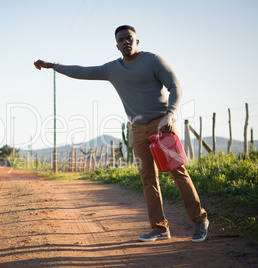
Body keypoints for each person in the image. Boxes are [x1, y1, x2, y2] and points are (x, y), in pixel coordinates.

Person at [34, 25, 209, 242]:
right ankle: (160, 228)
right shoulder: (112, 69)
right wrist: (52, 66)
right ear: (116, 45)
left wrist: (170, 114)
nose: (126, 42)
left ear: (137, 41)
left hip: (161, 124)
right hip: (137, 129)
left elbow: (175, 87)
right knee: (148, 179)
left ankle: (200, 221)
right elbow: (83, 71)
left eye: (129, 38)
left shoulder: (153, 60)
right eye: (121, 40)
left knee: (177, 172)